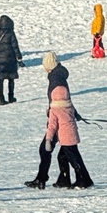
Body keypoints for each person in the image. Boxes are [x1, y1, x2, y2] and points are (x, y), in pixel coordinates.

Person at [25, 51, 71, 188]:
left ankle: (42, 179)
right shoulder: (57, 75)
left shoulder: (55, 78)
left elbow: (60, 99)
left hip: (58, 119)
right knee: (64, 151)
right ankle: (62, 179)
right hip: (62, 116)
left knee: (46, 149)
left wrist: (54, 113)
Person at [45, 84, 93, 188]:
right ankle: (64, 179)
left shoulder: (55, 109)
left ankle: (83, 180)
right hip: (72, 134)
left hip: (66, 137)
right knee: (62, 157)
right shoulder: (69, 106)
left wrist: (48, 139)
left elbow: (52, 126)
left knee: (74, 159)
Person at [0, 14, 23, 104]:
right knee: (11, 78)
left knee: (0, 80)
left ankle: (1, 99)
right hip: (10, 58)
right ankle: (11, 97)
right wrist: (19, 57)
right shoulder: (10, 33)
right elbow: (15, 46)